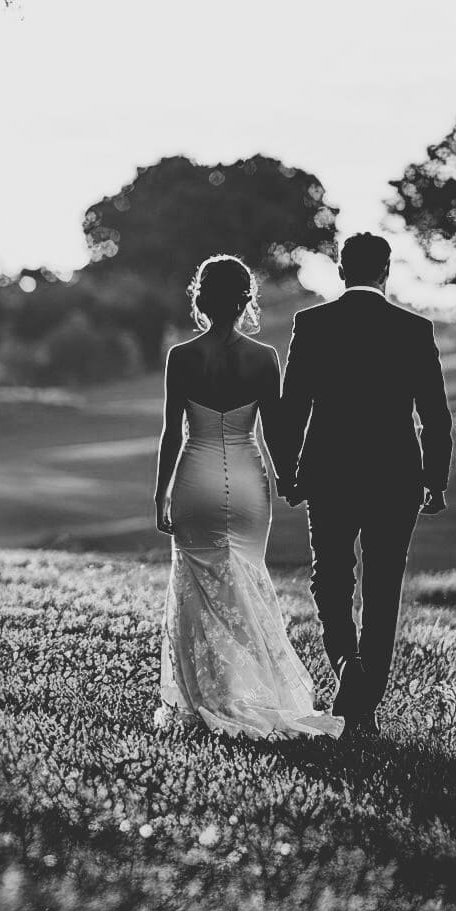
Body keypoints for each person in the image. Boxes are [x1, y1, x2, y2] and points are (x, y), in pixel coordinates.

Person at [152, 255, 344, 741]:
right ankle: (253, 691)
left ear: (200, 299)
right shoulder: (263, 357)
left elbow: (171, 432)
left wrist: (161, 492)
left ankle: (209, 695)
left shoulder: (182, 356)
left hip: (194, 478)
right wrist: (288, 479)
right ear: (245, 302)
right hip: (247, 482)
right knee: (245, 579)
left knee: (198, 586)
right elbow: (276, 430)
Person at [271, 233, 453, 737]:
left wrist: (289, 472)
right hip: (397, 477)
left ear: (341, 270)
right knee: (382, 588)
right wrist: (435, 480)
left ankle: (347, 665)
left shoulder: (313, 324)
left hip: (329, 472)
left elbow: (292, 406)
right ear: (386, 271)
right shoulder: (414, 329)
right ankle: (363, 705)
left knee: (330, 579)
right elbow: (435, 415)